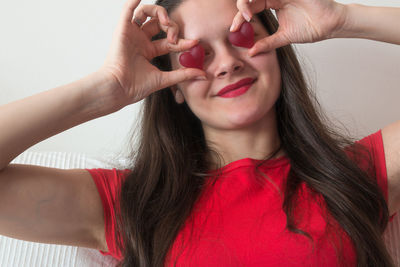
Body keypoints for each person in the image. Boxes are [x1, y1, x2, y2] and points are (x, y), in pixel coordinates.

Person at [0, 0, 399, 266]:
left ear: (277, 48)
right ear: (170, 83)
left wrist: (343, 18)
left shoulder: (356, 175)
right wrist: (108, 88)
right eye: (196, 54)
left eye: (242, 38)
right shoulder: (136, 204)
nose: (226, 63)